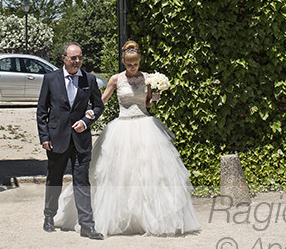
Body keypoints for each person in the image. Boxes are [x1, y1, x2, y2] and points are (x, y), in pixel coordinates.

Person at [53, 40, 201, 237]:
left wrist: (154, 97)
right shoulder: (116, 79)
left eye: (136, 64)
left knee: (149, 173)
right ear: (124, 62)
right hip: (121, 127)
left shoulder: (147, 78)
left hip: (146, 126)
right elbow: (101, 101)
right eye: (130, 65)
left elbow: (147, 104)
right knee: (116, 173)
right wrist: (85, 116)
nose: (133, 68)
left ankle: (149, 218)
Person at [36, 42, 105, 240]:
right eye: (73, 58)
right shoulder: (50, 79)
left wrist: (86, 120)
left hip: (81, 140)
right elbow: (42, 111)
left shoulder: (89, 79)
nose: (77, 62)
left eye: (80, 58)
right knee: (54, 180)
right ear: (64, 58)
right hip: (57, 139)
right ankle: (49, 216)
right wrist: (44, 137)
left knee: (82, 182)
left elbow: (98, 106)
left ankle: (87, 226)